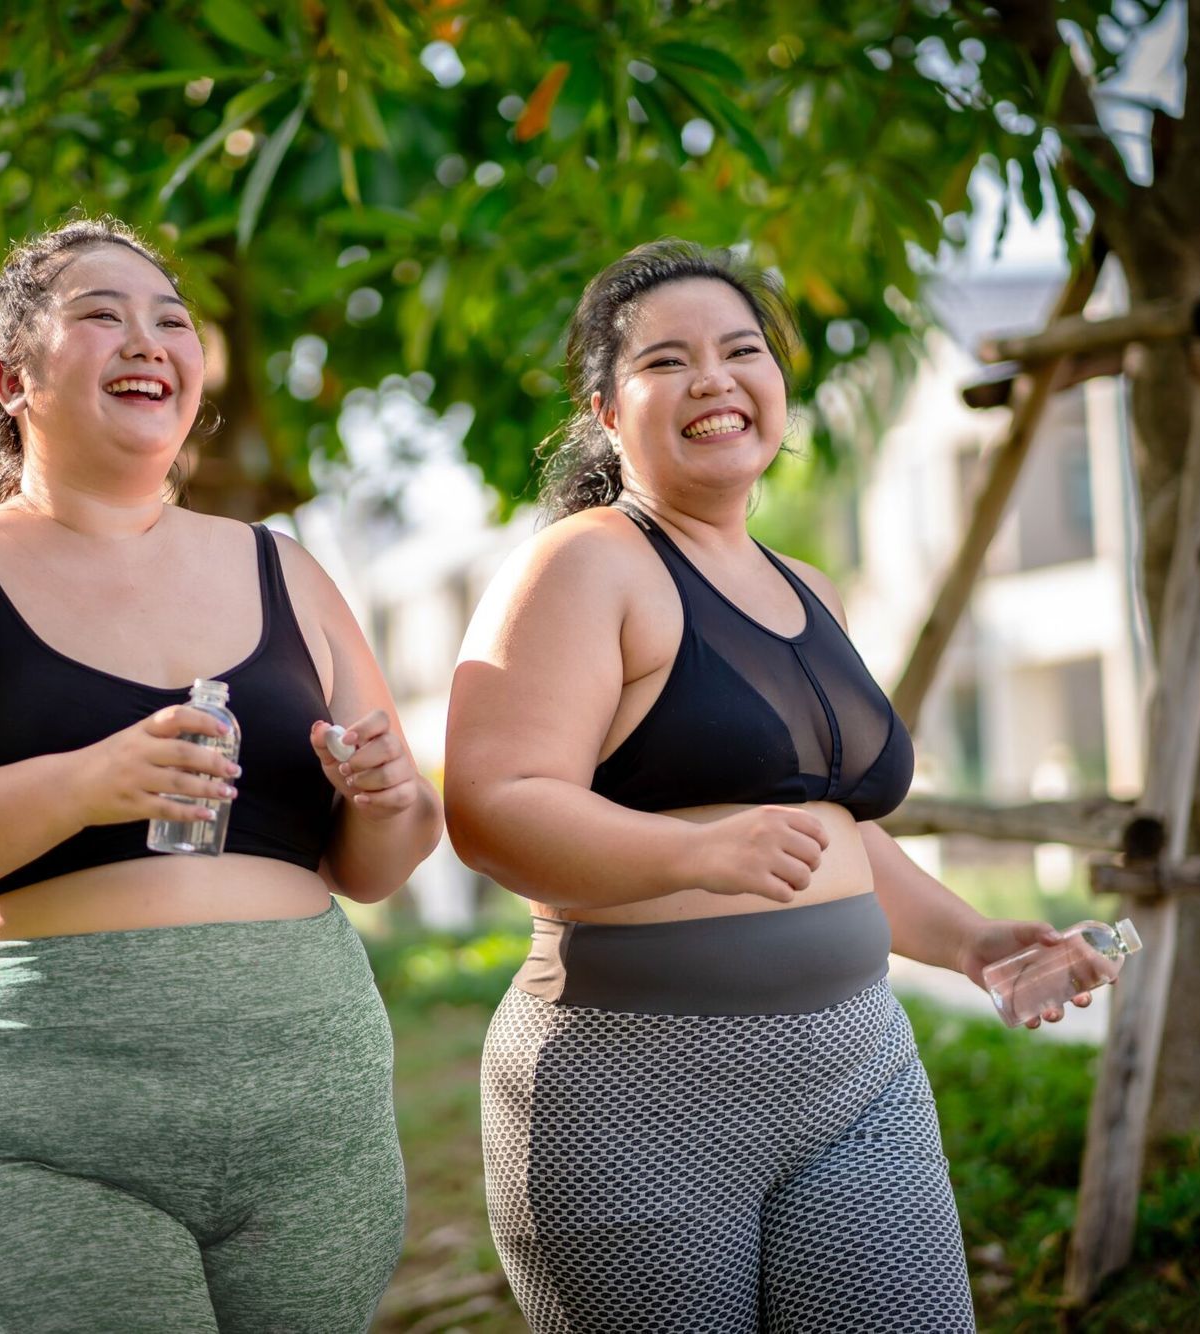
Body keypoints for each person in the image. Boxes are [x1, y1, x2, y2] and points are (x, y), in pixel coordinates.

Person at [0, 217, 442, 1333]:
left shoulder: (282, 567)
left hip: (310, 1120)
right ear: (10, 380)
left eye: (171, 320)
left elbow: (379, 861)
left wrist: (388, 796)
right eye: (101, 314)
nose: (148, 340)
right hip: (42, 1124)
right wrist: (86, 784)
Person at [444, 240, 1097, 1333]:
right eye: (666, 361)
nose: (714, 377)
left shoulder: (811, 588)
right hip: (631, 1093)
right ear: (606, 411)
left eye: (741, 350)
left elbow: (832, 834)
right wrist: (692, 853)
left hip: (858, 1074)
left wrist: (975, 941)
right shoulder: (586, 562)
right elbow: (491, 804)